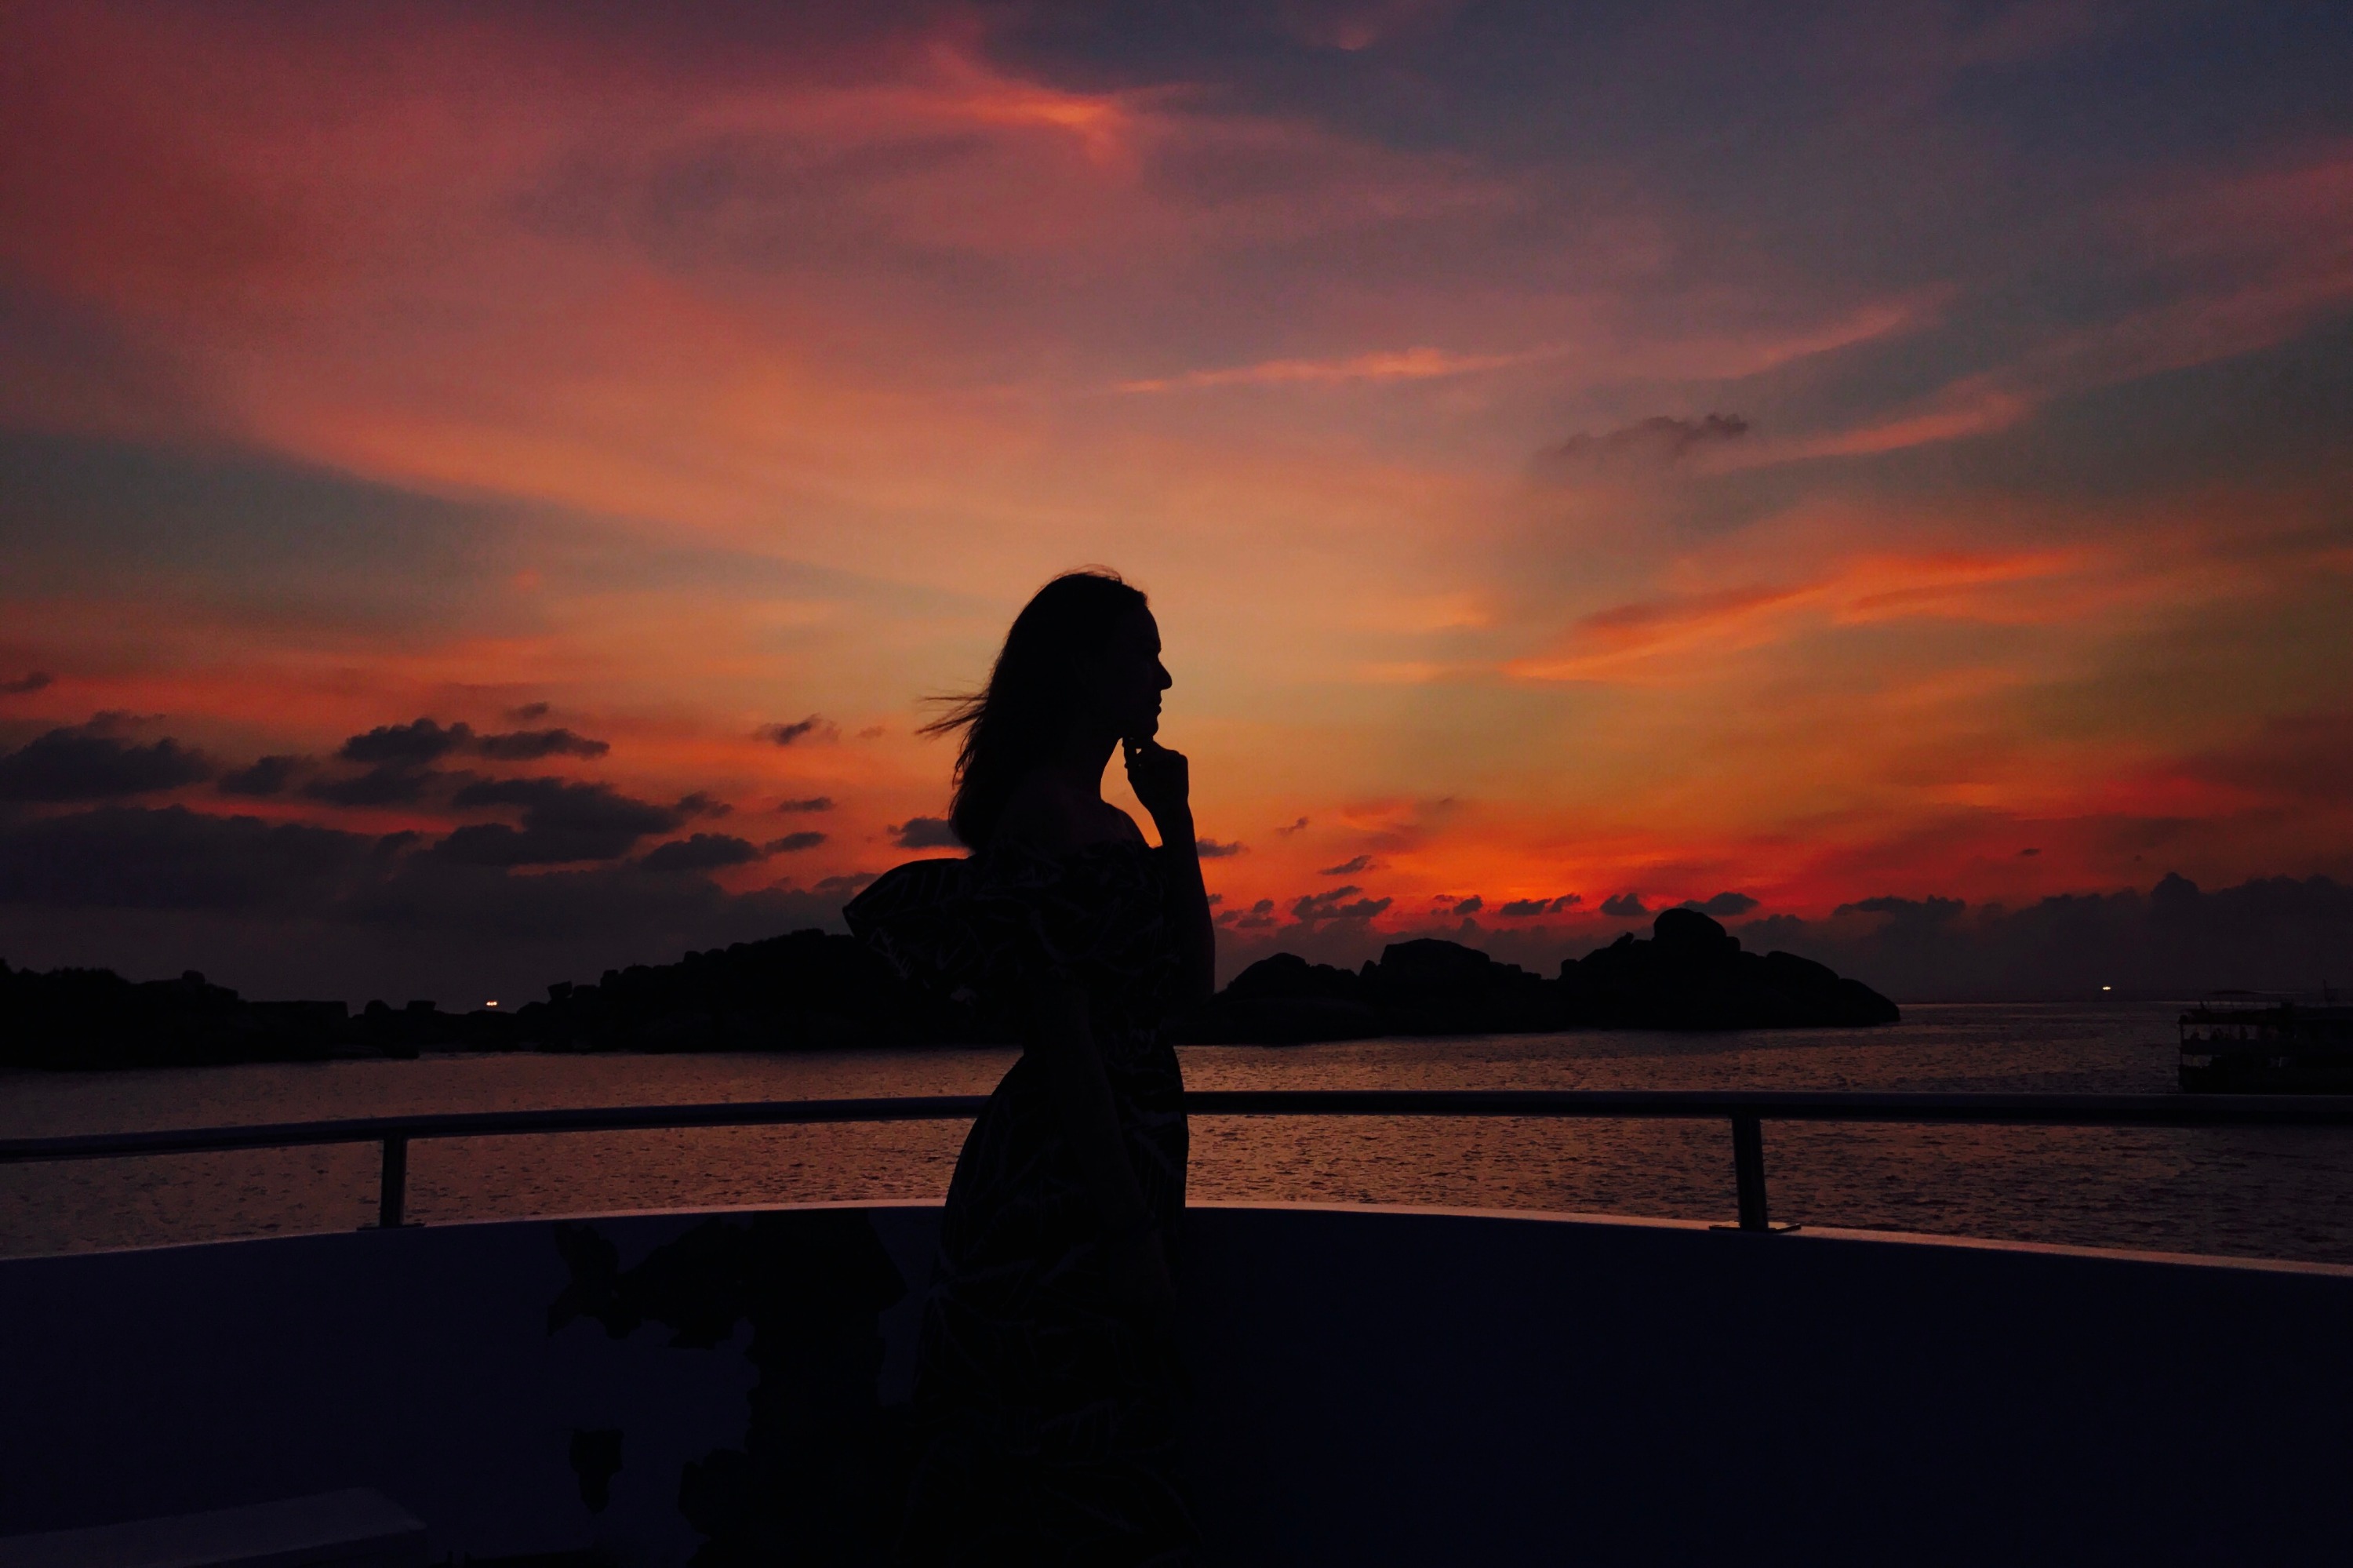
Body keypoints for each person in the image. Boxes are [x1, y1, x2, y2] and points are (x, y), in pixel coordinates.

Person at [845, 569, 1215, 1565]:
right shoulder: (1044, 817)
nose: (1163, 678)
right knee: (1063, 1463)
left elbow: (1191, 987)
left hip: (1119, 1158)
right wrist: (1128, 1230)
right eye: (1143, 654)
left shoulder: (1112, 823)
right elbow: (1064, 1037)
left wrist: (1176, 822)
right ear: (1086, 669)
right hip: (1065, 1181)